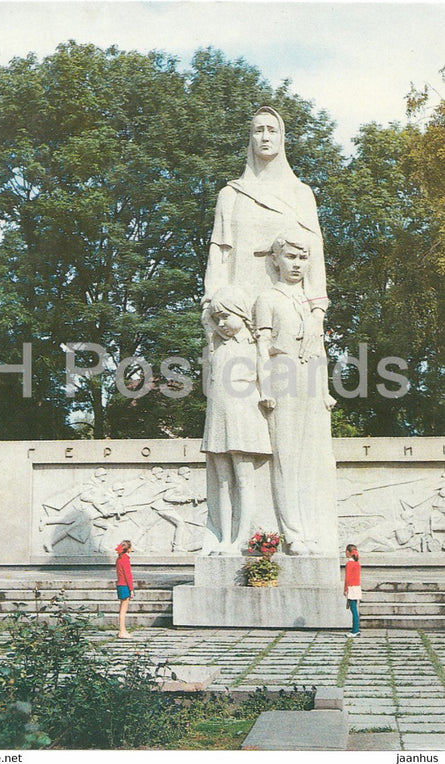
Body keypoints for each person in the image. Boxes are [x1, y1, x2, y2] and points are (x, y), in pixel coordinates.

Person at [203, 106, 328, 361]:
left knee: (293, 388)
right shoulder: (231, 195)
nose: (265, 137)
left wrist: (317, 313)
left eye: (272, 130)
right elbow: (219, 256)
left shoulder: (301, 195)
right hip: (239, 309)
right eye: (258, 131)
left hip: (289, 308)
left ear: (282, 138)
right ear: (251, 138)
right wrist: (210, 305)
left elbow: (314, 258)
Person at [256, 228, 338, 556]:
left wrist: (325, 389)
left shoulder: (310, 304)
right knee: (285, 458)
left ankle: (308, 527)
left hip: (309, 379)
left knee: (306, 460)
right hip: (281, 375)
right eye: (290, 256)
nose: (297, 264)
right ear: (275, 260)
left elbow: (318, 348)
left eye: (303, 258)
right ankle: (291, 532)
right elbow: (262, 345)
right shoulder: (268, 299)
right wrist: (265, 387)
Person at [201, 285, 270, 555]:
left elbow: (264, 374)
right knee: (222, 481)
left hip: (243, 413)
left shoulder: (254, 347)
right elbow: (206, 319)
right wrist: (211, 318)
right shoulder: (216, 348)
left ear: (241, 314)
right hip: (218, 413)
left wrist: (267, 394)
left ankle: (242, 538)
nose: (221, 323)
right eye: (217, 319)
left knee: (244, 480)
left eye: (226, 317)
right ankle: (224, 537)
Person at [115, 539, 134, 639]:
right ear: (129, 549)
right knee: (123, 609)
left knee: (122, 607)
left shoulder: (119, 559)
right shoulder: (125, 559)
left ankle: (122, 630)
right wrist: (131, 589)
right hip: (124, 585)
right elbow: (128, 575)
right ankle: (122, 630)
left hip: (120, 584)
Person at [344, 544, 362, 637]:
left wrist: (345, 589)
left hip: (351, 587)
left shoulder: (349, 564)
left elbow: (347, 578)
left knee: (353, 609)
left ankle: (355, 630)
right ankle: (356, 628)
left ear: (348, 552)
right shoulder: (357, 563)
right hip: (357, 587)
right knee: (355, 608)